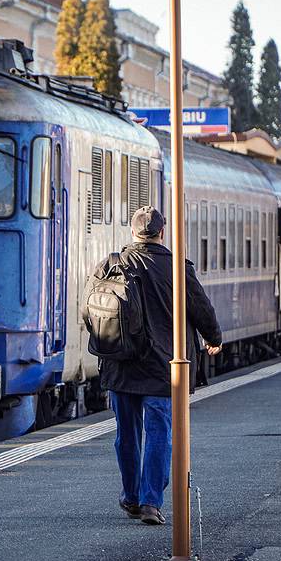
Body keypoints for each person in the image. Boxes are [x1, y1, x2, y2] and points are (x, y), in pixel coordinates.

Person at [82, 206, 222, 526]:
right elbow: (202, 309)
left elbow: (88, 311)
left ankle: (130, 496)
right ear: (162, 232)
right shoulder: (177, 268)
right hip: (164, 367)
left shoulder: (110, 265)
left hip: (121, 365)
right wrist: (214, 338)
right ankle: (150, 503)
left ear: (133, 233)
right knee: (159, 431)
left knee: (126, 435)